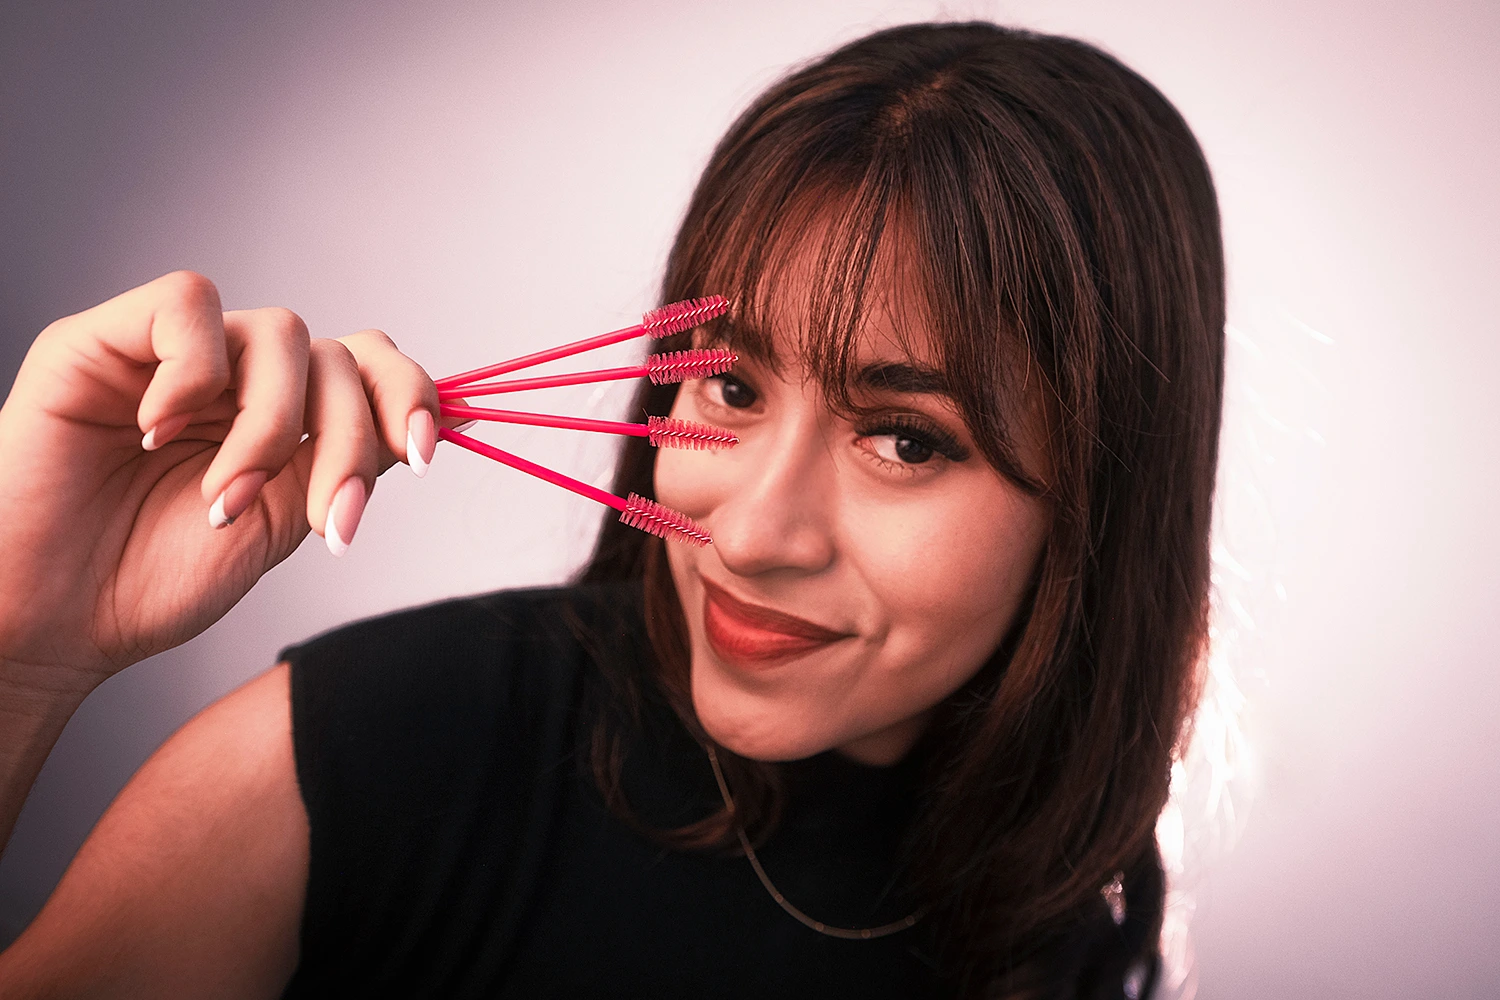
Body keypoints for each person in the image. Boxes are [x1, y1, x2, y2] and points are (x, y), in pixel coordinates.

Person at [0, 21, 1224, 999]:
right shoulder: (387, 748)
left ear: (1101, 511)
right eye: (731, 384)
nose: (746, 534)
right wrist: (23, 655)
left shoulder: (1083, 917)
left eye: (905, 439)